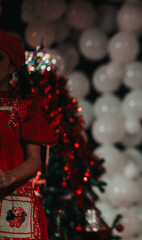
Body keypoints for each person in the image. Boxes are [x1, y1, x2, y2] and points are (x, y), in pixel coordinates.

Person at [0, 29, 56, 239]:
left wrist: (10, 177)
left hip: (13, 203)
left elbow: (34, 160)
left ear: (13, 66)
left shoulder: (24, 106)